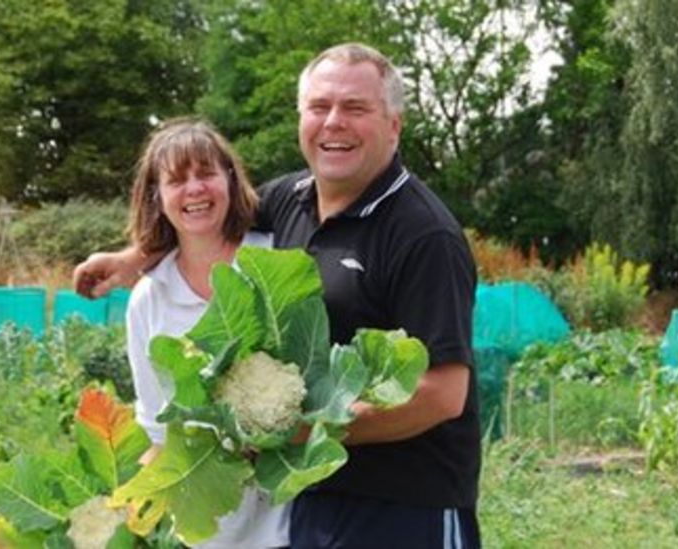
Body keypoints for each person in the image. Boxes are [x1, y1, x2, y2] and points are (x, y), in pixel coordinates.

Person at [75, 44, 480, 549]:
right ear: (301, 118)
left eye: (355, 108)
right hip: (310, 504)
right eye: (319, 107)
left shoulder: (422, 235)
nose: (334, 123)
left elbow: (442, 395)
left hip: (404, 508)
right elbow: (204, 212)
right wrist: (135, 257)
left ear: (393, 125)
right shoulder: (292, 198)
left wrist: (298, 431)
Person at [121, 117, 289, 549]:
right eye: (177, 180)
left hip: (291, 518)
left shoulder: (271, 261)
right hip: (210, 532)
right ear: (157, 197)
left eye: (206, 174)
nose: (195, 190)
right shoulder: (148, 298)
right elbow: (159, 429)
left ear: (231, 181)